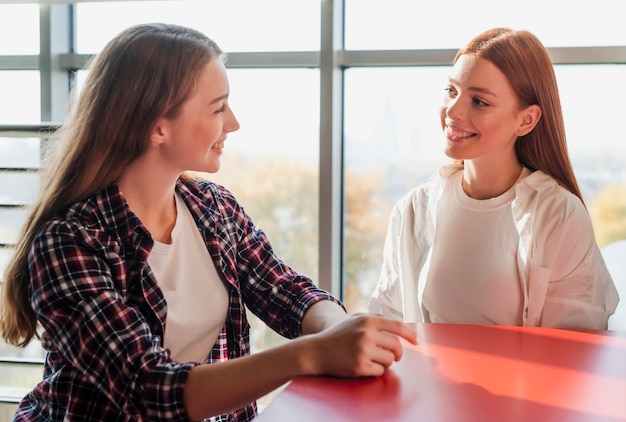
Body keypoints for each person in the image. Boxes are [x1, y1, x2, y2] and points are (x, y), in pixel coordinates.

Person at [0, 23, 417, 422]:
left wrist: (338, 327)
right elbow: (148, 386)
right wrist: (313, 353)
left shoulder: (212, 207)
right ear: (157, 126)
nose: (233, 123)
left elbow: (281, 289)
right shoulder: (69, 241)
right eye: (218, 107)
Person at [369, 27, 619, 330]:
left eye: (479, 102)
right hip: (423, 379)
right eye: (452, 91)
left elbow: (576, 348)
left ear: (526, 120)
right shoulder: (412, 209)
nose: (453, 111)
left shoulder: (559, 215)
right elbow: (387, 327)